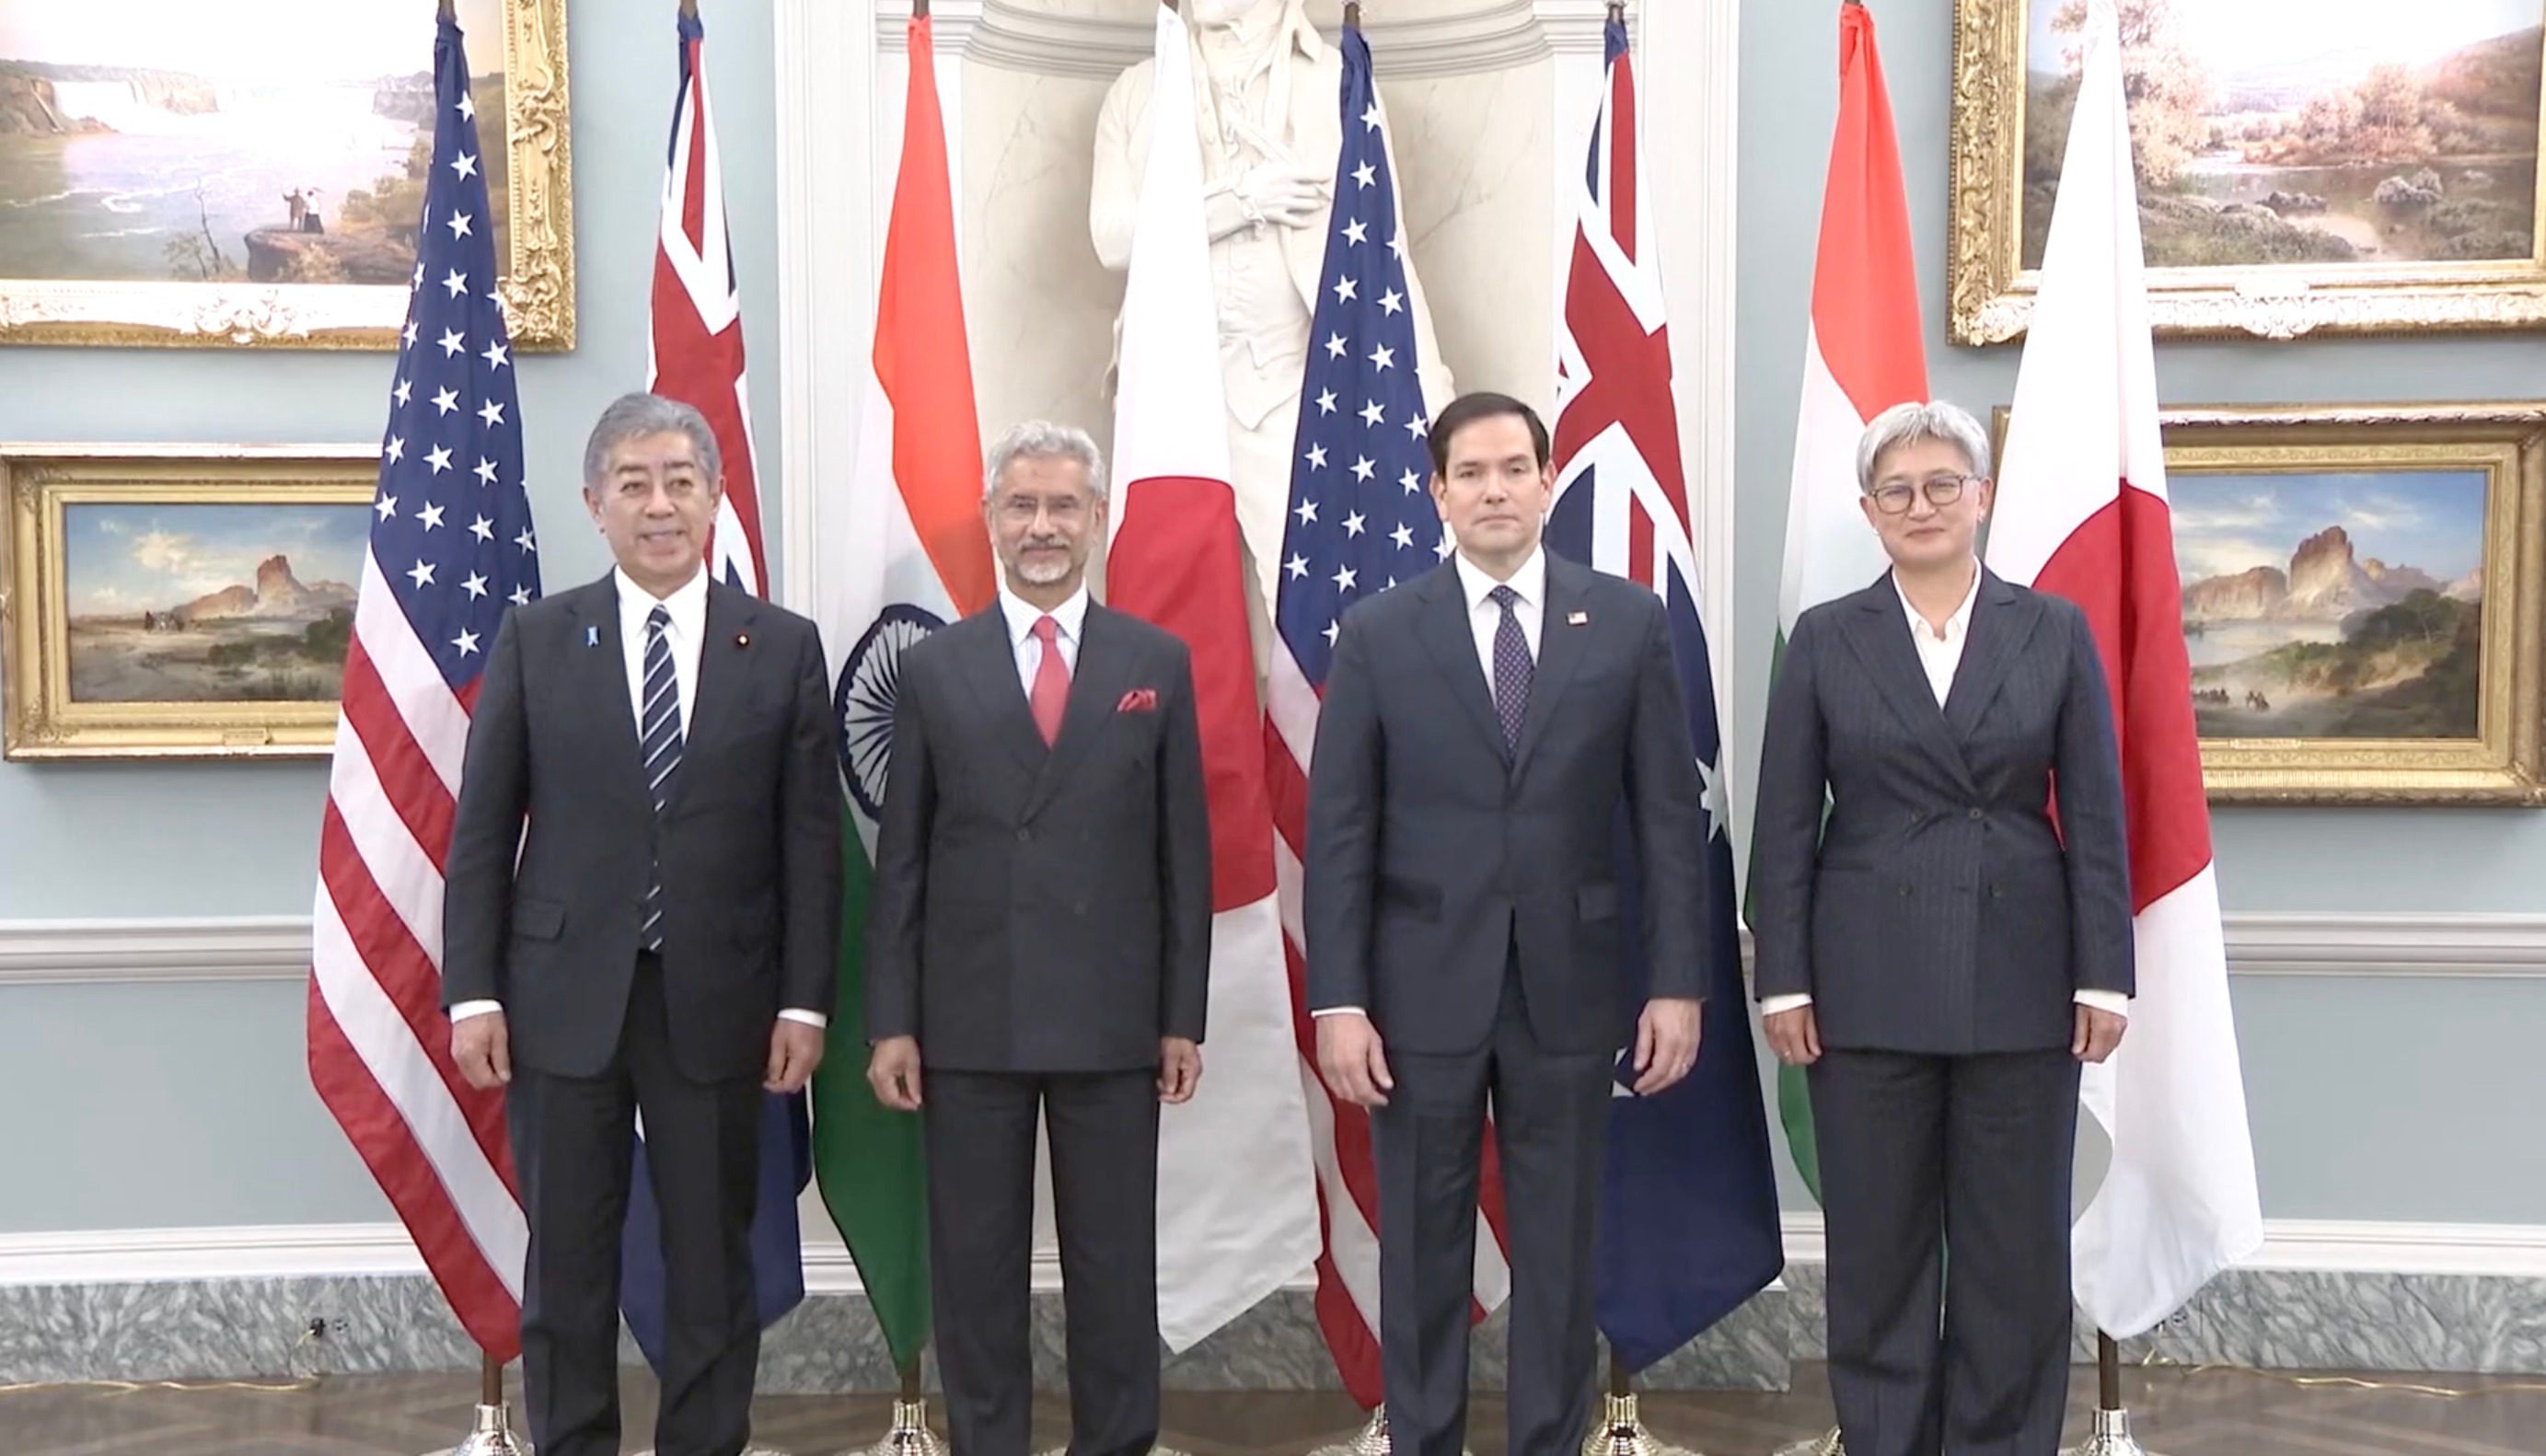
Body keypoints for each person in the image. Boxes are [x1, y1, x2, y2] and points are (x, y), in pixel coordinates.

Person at [1304, 392, 1709, 1456]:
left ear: (1546, 480)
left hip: (1571, 989)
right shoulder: (1381, 632)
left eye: (1513, 469)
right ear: (1437, 492)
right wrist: (1339, 1000)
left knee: (1560, 1247)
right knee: (1423, 1249)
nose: (1494, 489)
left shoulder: (1623, 622)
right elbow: (1340, 830)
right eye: (1470, 472)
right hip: (1417, 993)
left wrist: (1676, 982)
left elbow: (1667, 817)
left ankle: (1548, 1442)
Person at [442, 392, 841, 1456]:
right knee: (568, 1258)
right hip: (561, 1000)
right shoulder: (536, 637)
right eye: (634, 483)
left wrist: (806, 999)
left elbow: (810, 843)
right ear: (595, 503)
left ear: (712, 499)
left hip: (722, 999)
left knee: (714, 1257)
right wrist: (472, 990)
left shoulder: (784, 647)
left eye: (679, 481)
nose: (658, 504)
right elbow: (481, 828)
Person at [1750, 399, 2134, 1456]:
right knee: (1879, 1254)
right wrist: (1782, 978)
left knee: (2014, 1257)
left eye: (1941, 485)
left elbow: (2097, 813)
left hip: (2023, 979)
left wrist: (2107, 974)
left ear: (1982, 499)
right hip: (1865, 983)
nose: (1921, 506)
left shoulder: (2050, 629)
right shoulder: (1830, 637)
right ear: (1869, 511)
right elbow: (1785, 823)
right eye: (1897, 490)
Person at [863, 421, 1212, 1456]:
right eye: (1023, 505)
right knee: (975, 1265)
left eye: (1065, 506)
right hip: (968, 1016)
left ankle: (1116, 1442)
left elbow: (1180, 857)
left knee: (1114, 1263)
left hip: (1112, 1017)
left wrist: (1179, 1016)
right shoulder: (934, 666)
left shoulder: (1157, 661)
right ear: (991, 519)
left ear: (1097, 519)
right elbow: (904, 865)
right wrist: (892, 1023)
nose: (1044, 526)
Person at [1091, 0, 1452, 615]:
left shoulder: (1333, 81)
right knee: (1163, 608)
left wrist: (1428, 397)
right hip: (1169, 395)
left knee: (1309, 608)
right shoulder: (1137, 90)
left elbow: (1383, 259)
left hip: (1292, 386)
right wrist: (1238, 200)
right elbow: (1113, 239)